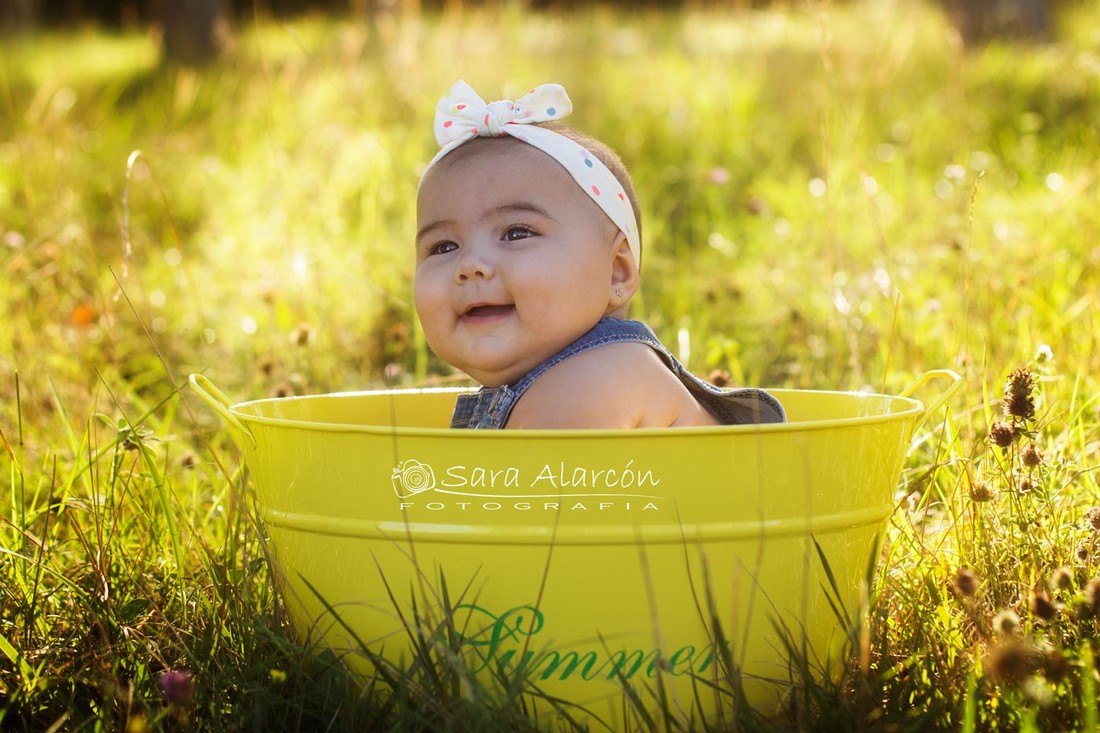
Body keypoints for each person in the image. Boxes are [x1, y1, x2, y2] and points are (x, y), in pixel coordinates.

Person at [414, 80, 785, 429]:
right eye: (444, 246)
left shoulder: (599, 379)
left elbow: (532, 498)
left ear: (617, 273)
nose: (470, 266)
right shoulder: (553, 382)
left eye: (516, 233)